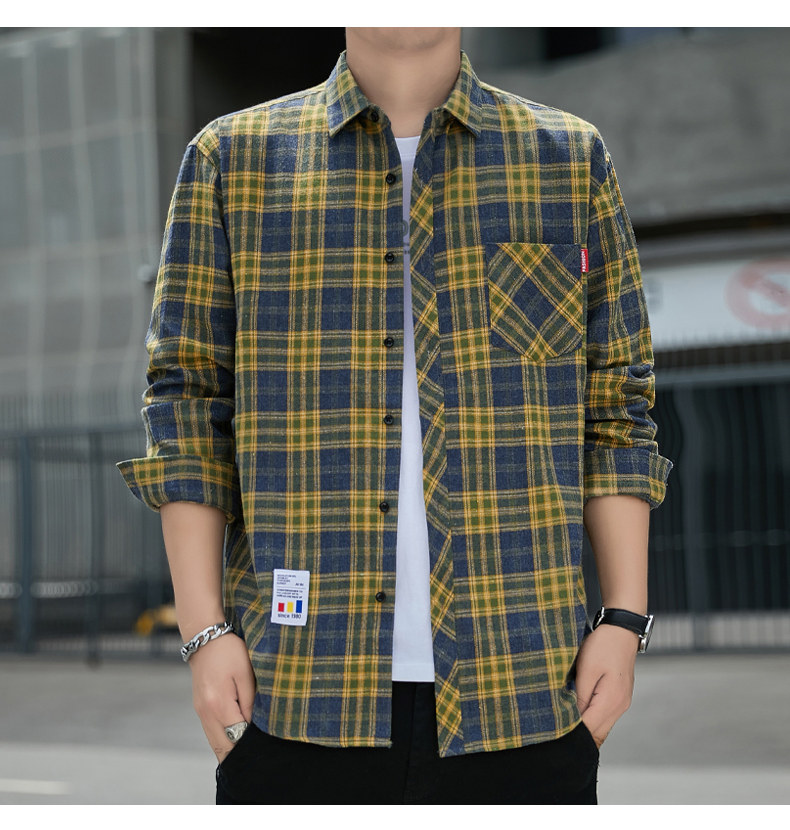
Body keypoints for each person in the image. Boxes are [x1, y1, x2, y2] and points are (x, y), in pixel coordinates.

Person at [118, 27, 672, 805]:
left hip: (527, 686)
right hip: (295, 694)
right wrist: (204, 635)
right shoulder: (231, 161)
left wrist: (623, 619)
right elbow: (187, 402)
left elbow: (615, 403)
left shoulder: (567, 159)